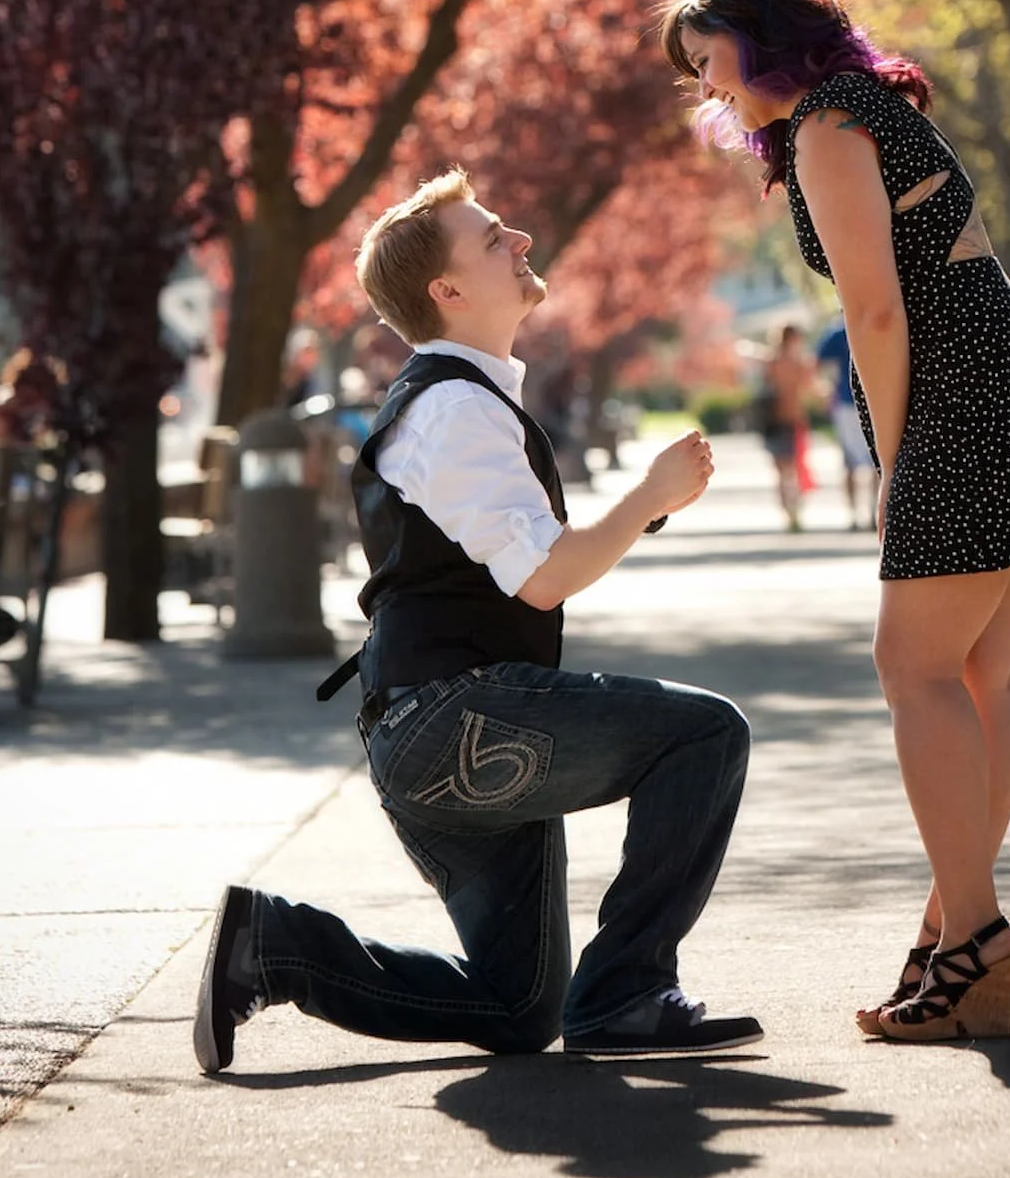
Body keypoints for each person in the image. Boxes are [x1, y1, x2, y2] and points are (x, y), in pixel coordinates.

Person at [662, 0, 1010, 1045]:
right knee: (981, 675)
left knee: (914, 668)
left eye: (710, 59)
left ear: (763, 33)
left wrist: (889, 456)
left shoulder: (831, 126)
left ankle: (972, 935)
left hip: (962, 385)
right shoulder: (861, 106)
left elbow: (875, 314)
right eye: (692, 73)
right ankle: (948, 936)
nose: (707, 88)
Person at [194, 170, 762, 1071]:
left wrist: (643, 508)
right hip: (450, 722)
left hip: (439, 725)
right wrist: (646, 496)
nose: (521, 241)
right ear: (446, 291)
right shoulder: (453, 408)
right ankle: (628, 993)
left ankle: (275, 948)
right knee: (703, 735)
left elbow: (533, 563)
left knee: (515, 1007)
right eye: (494, 238)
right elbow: (543, 577)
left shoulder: (467, 398)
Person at [816, 318, 877, 531]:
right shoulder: (843, 329)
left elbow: (818, 361)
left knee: (861, 462)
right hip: (859, 402)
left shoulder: (844, 327)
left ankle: (864, 512)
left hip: (858, 402)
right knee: (869, 461)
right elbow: (819, 359)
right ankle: (862, 512)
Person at [761, 323, 818, 531]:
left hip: (772, 422)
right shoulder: (798, 363)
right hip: (793, 420)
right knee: (794, 470)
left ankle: (788, 514)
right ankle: (794, 513)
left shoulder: (771, 362)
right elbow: (811, 389)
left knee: (781, 472)